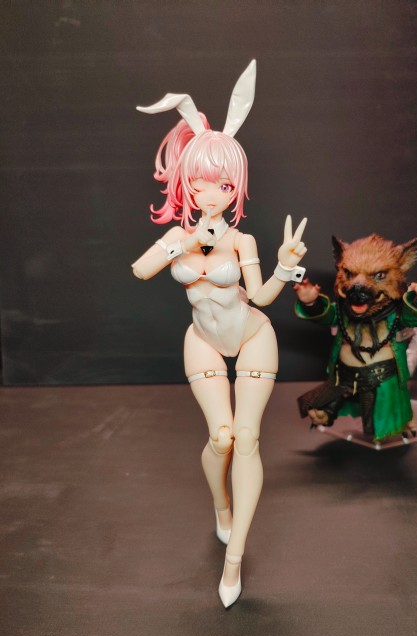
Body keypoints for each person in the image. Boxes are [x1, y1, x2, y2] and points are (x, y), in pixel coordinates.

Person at [132, 60, 307, 607]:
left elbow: (261, 298)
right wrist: (183, 243)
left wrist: (284, 266)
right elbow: (140, 270)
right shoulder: (181, 236)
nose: (211, 193)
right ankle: (221, 506)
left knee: (248, 438)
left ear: (236, 187)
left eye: (223, 184)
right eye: (201, 182)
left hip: (252, 337)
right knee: (222, 438)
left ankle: (234, 561)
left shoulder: (241, 241)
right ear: (186, 181)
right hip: (203, 340)